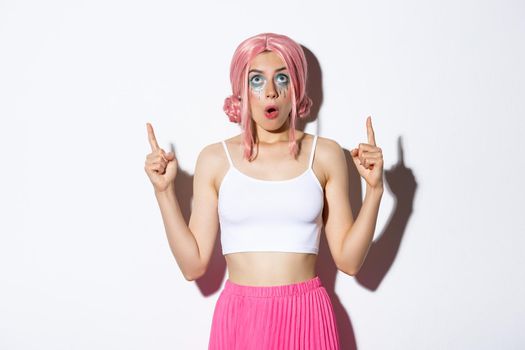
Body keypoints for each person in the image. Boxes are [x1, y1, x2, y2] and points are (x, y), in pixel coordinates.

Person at [144, 32, 384, 350]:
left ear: (296, 87)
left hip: (307, 315)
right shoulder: (215, 159)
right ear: (241, 91)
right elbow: (193, 266)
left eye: (281, 78)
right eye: (257, 80)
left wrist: (375, 190)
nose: (270, 91)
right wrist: (164, 192)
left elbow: (350, 262)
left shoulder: (325, 155)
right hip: (240, 318)